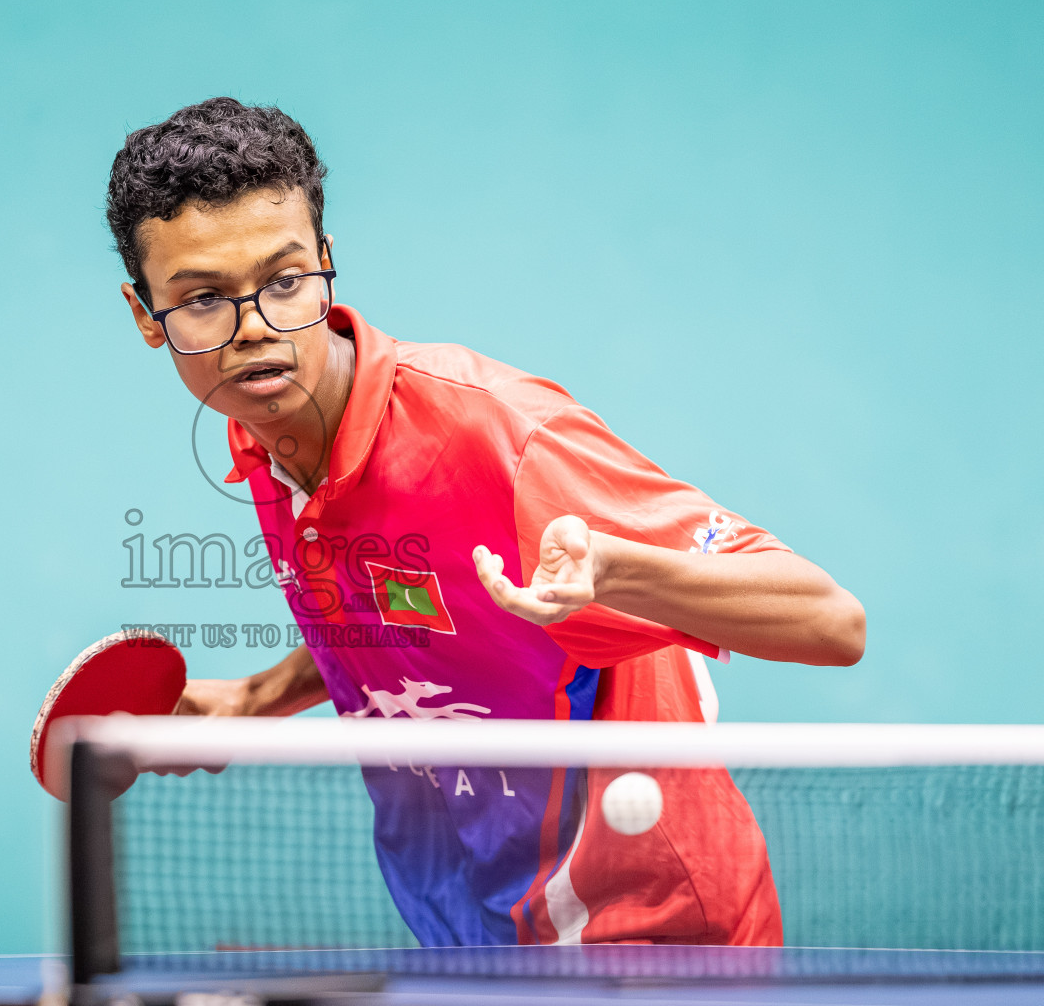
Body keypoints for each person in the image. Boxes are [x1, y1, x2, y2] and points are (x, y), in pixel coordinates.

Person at [105, 97, 865, 947]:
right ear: (146, 315)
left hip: (653, 940)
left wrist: (617, 570)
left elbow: (829, 620)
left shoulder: (499, 433)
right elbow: (414, 616)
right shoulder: (266, 443)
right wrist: (257, 699)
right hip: (473, 934)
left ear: (325, 264)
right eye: (203, 299)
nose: (257, 331)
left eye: (285, 282)